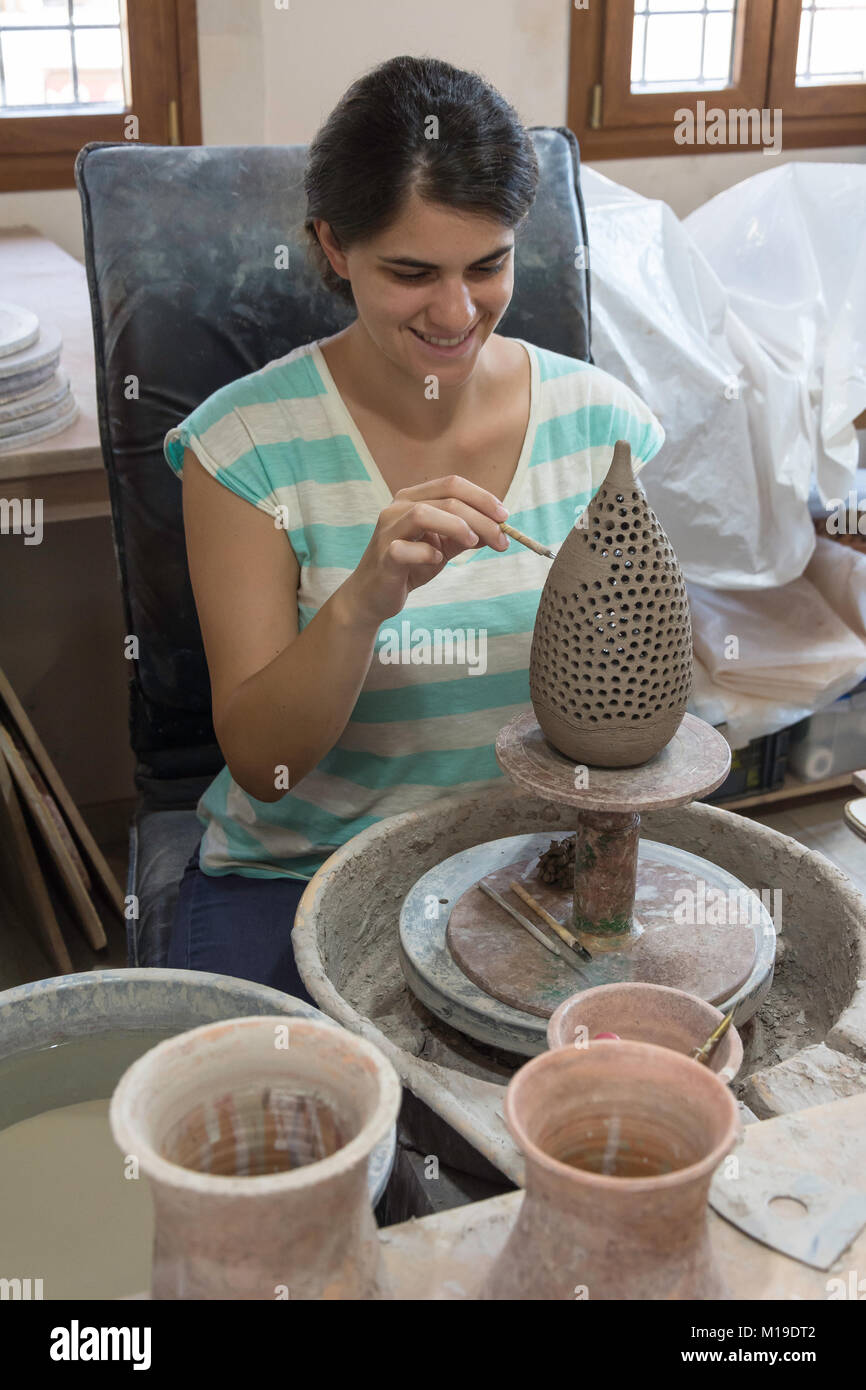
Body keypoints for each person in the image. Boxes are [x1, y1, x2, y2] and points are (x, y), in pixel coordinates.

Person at [163, 54, 664, 1000]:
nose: (456, 310)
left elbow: (645, 692)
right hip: (306, 874)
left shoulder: (605, 429)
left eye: (489, 265)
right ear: (333, 246)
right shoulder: (246, 446)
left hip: (530, 868)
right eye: (411, 272)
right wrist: (361, 603)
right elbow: (266, 769)